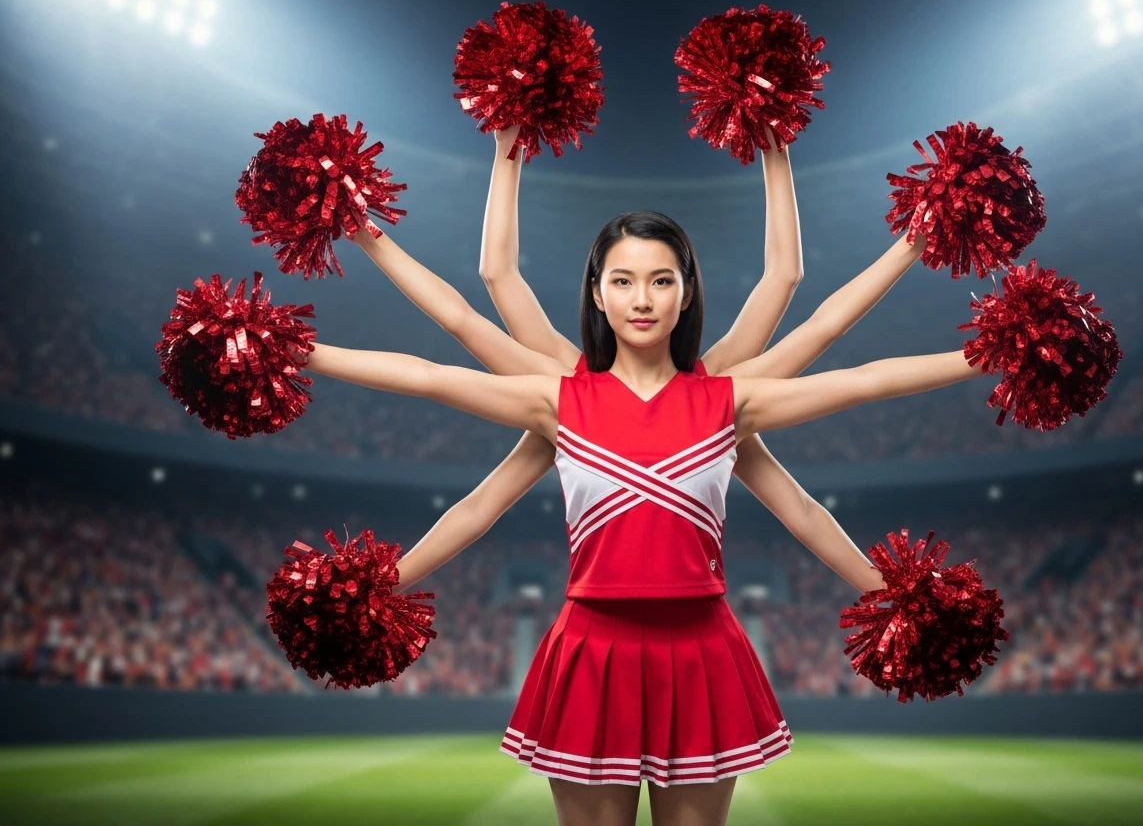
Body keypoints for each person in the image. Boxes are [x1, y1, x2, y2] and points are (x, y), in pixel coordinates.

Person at [302, 182, 978, 824]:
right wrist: (306, 347)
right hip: (592, 652)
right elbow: (437, 382)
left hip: (703, 650)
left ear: (687, 294)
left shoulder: (726, 399)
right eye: (622, 281)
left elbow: (852, 389)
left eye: (662, 280)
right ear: (596, 294)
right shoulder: (560, 397)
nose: (642, 299)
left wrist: (898, 596)